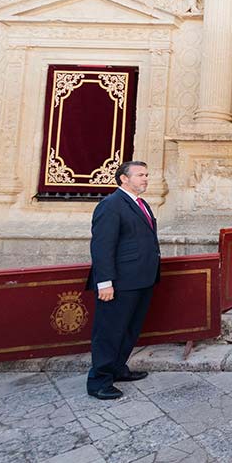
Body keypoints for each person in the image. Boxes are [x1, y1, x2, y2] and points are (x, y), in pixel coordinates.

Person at [86, 161, 160, 400]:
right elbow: (102, 246)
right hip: (119, 282)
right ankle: (99, 381)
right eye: (140, 175)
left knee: (129, 329)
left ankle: (118, 368)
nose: (145, 178)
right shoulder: (111, 205)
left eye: (146, 174)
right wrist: (104, 282)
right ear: (123, 179)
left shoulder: (141, 203)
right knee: (110, 331)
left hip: (140, 279)